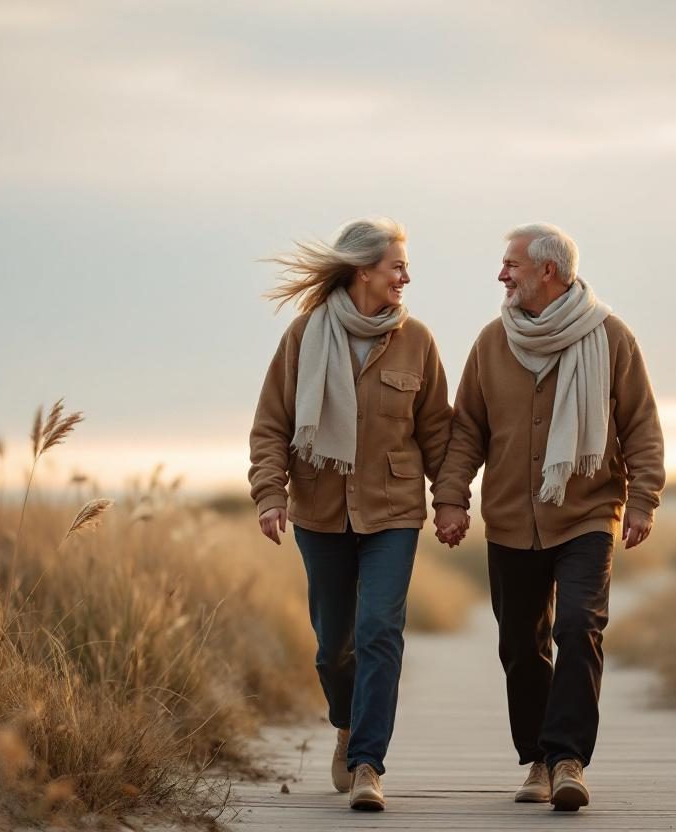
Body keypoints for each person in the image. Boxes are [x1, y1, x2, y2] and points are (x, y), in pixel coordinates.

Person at [433, 223, 665, 812]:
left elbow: (640, 425)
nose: (502, 274)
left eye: (511, 264)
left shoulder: (610, 338)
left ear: (548, 272)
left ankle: (566, 760)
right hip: (511, 517)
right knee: (520, 644)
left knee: (578, 629)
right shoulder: (492, 342)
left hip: (586, 513)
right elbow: (467, 432)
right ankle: (536, 757)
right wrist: (453, 498)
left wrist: (642, 500)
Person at [248, 218, 452, 811]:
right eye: (396, 266)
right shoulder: (304, 335)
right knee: (333, 646)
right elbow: (271, 426)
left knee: (379, 633)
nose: (406, 277)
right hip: (319, 509)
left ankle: (367, 763)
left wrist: (450, 501)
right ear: (364, 270)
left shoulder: (418, 341)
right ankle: (346, 720)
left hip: (392, 512)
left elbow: (438, 431)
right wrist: (269, 494)